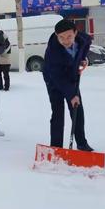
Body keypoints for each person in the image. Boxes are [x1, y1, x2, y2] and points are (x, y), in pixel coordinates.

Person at [42, 19, 94, 151]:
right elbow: (58, 77)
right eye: (61, 37)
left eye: (69, 36)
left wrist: (82, 59)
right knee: (58, 112)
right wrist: (72, 95)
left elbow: (86, 45)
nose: (65, 41)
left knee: (77, 111)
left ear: (75, 33)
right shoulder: (53, 52)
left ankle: (82, 143)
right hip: (53, 80)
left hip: (71, 76)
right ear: (56, 35)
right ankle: (56, 147)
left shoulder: (83, 40)